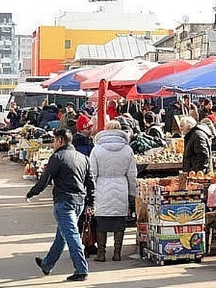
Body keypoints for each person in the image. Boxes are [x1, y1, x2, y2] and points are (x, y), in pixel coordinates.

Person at [27, 129, 94, 282]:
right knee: (62, 235)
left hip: (64, 203)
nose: (52, 143)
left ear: (60, 141)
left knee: (71, 236)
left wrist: (31, 193)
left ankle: (81, 270)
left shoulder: (57, 157)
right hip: (79, 202)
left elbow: (45, 179)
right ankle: (47, 264)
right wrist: (91, 202)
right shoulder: (83, 158)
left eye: (54, 140)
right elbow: (91, 183)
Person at [89, 121, 137, 262]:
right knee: (119, 222)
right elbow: (132, 174)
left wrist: (91, 192)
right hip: (121, 186)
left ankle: (101, 253)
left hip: (102, 186)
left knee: (102, 222)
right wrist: (132, 193)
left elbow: (92, 173)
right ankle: (117, 253)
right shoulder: (127, 149)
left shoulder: (97, 149)